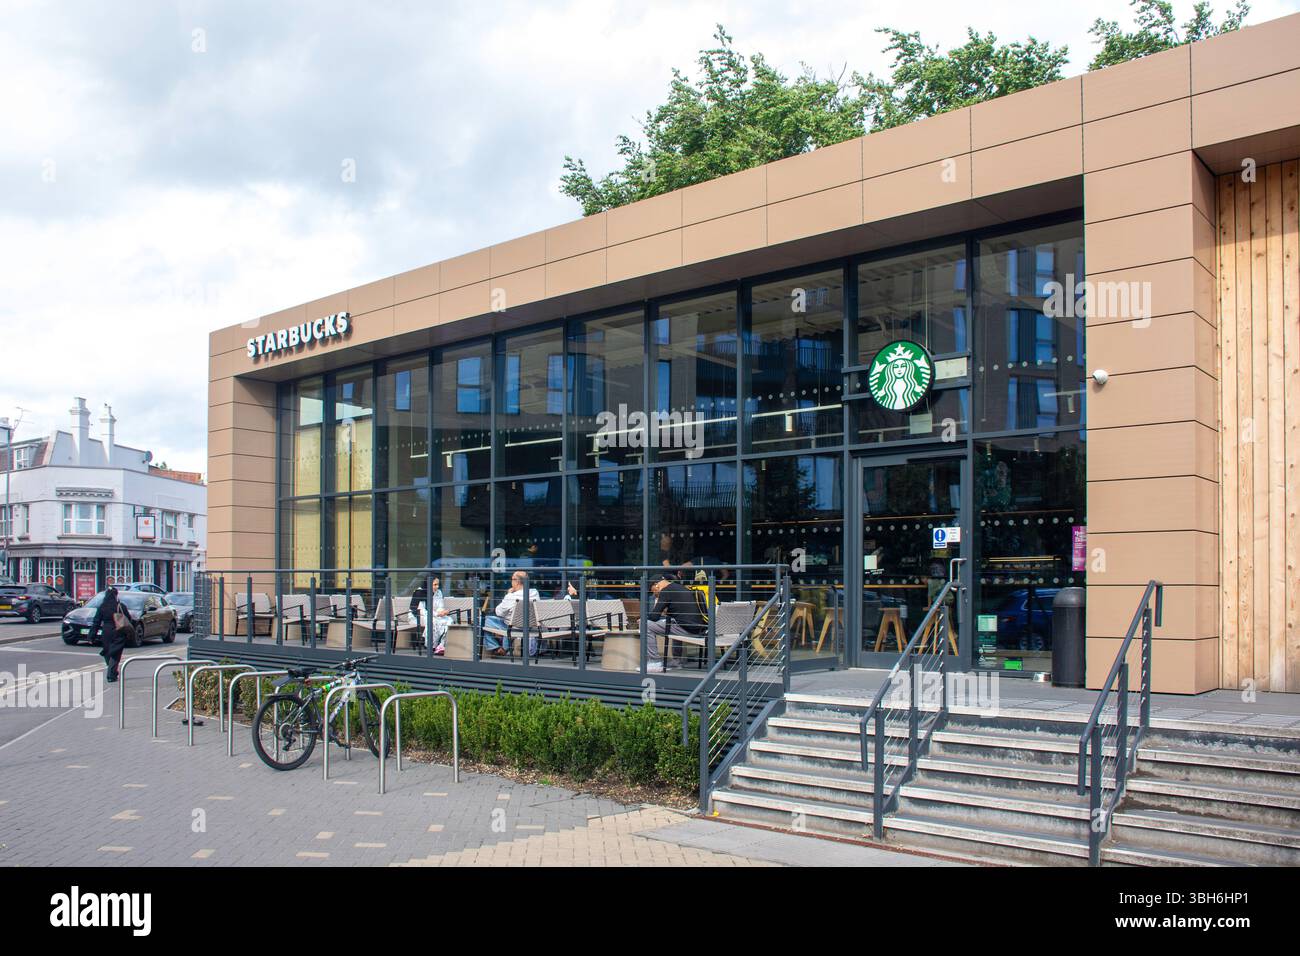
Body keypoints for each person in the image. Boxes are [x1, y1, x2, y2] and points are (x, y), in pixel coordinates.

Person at [645, 574, 706, 672]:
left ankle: (654, 662)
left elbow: (654, 617)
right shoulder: (679, 587)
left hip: (689, 630)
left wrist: (657, 600)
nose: (653, 593)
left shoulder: (665, 591)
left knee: (646, 625)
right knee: (673, 622)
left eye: (652, 590)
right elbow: (678, 612)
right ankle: (676, 661)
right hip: (700, 628)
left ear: (656, 585)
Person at [481, 571, 540, 657]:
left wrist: (508, 594)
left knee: (480, 620)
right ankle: (504, 648)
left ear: (517, 581)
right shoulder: (535, 593)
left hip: (511, 627)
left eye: (512, 579)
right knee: (506, 619)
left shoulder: (511, 596)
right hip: (529, 627)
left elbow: (498, 612)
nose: (511, 582)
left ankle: (496, 648)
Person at [93, 587, 130, 682]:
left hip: (106, 632)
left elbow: (96, 621)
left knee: (108, 652)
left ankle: (112, 671)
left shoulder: (102, 606)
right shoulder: (120, 606)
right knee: (115, 654)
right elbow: (128, 618)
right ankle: (111, 674)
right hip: (118, 631)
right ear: (115, 595)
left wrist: (92, 635)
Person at [411, 575, 452, 655]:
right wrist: (437, 614)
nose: (437, 586)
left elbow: (440, 606)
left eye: (438, 584)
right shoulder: (420, 592)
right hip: (418, 615)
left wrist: (442, 612)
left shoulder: (438, 592)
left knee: (449, 620)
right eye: (435, 584)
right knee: (433, 621)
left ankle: (441, 645)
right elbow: (421, 610)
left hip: (433, 614)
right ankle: (431, 646)